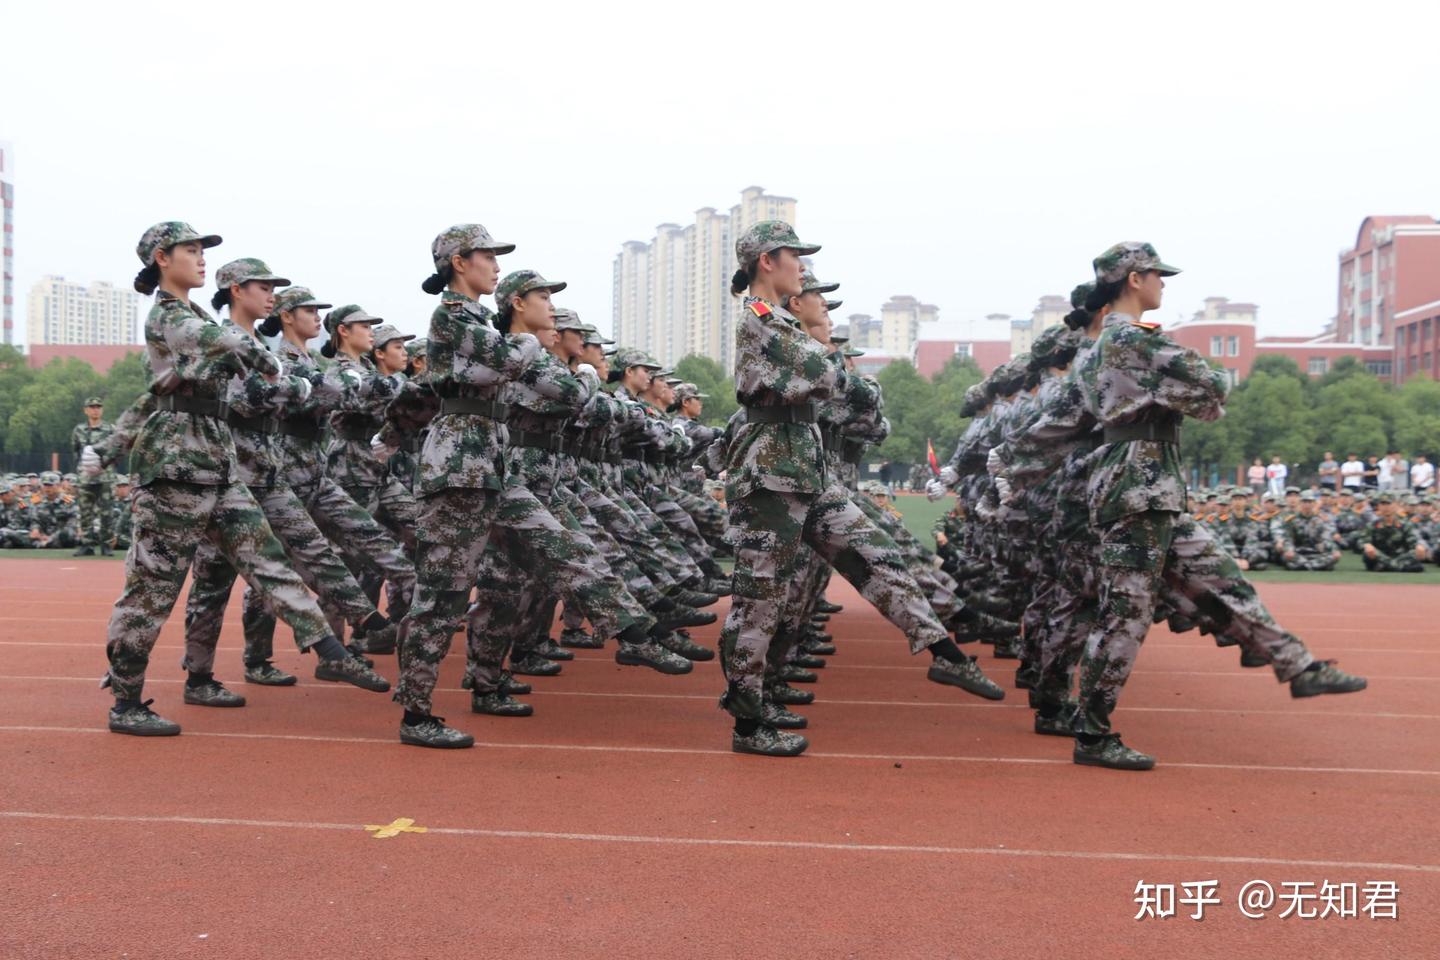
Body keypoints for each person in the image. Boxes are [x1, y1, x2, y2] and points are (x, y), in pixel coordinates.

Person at [717, 220, 1003, 758]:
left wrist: (837, 374)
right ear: (766, 262)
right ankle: (748, 720)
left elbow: (835, 381)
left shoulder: (782, 323)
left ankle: (944, 652)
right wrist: (838, 371)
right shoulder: (759, 320)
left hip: (806, 467)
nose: (802, 266)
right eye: (794, 256)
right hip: (770, 474)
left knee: (876, 553)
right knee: (759, 601)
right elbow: (829, 375)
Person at [96, 222, 381, 737]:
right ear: (162, 258)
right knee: (151, 592)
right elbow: (223, 343)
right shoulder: (170, 317)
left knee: (269, 561)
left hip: (220, 464)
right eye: (191, 250)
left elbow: (161, 389)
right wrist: (272, 367)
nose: (201, 259)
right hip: (175, 471)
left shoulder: (195, 315)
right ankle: (126, 700)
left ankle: (330, 650)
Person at [71, 397, 116, 556]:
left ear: (102, 410)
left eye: (98, 407)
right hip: (85, 478)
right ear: (86, 410)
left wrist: (105, 465)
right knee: (85, 512)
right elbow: (76, 452)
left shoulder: (110, 429)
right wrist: (82, 470)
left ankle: (106, 545)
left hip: (105, 477)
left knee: (106, 512)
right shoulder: (79, 430)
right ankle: (87, 545)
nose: (95, 409)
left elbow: (115, 451)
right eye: (92, 407)